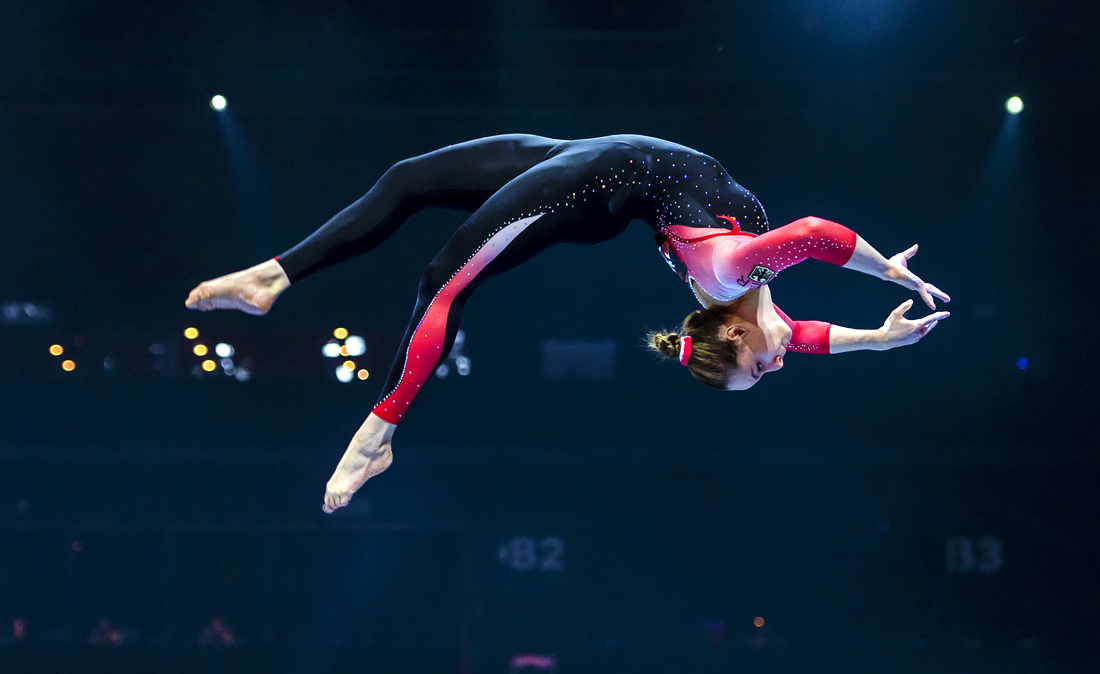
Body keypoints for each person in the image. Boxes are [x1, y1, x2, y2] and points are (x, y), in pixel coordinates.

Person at [185, 134, 949, 513]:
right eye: (764, 371)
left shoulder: (733, 277)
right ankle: (271, 278)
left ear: (734, 333)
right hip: (598, 158)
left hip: (595, 186)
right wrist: (880, 329)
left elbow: (816, 232)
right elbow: (808, 325)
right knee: (409, 181)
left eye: (759, 371)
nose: (780, 363)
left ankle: (377, 434)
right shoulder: (754, 293)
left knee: (442, 281)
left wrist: (881, 269)